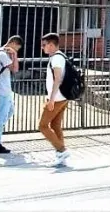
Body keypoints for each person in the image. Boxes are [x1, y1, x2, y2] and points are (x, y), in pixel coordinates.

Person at [39, 33, 70, 167]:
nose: (42, 48)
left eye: (44, 45)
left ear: (51, 45)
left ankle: (62, 150)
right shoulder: (60, 56)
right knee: (55, 126)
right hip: (62, 97)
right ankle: (61, 155)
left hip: (57, 98)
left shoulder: (56, 58)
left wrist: (51, 99)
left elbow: (58, 79)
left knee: (43, 126)